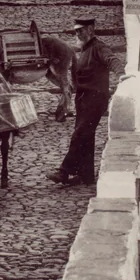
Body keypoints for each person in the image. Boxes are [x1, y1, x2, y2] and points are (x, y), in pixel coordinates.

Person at [46, 17, 122, 187]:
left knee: (79, 135)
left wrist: (121, 73)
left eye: (80, 30)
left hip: (95, 100)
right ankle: (85, 176)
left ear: (90, 30)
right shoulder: (85, 49)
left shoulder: (99, 47)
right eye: (75, 31)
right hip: (84, 100)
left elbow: (112, 59)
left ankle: (64, 172)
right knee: (86, 136)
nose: (77, 34)